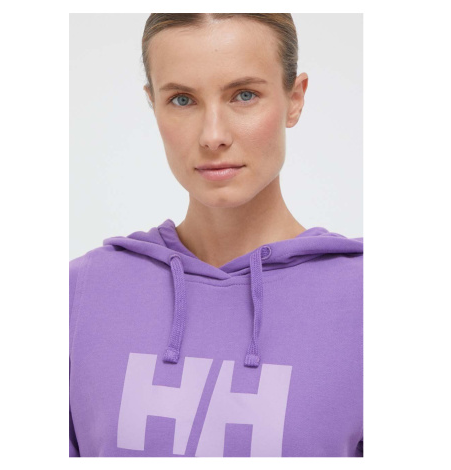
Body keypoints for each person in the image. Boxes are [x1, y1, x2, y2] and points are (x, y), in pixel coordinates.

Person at [69, 13, 363, 458]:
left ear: (295, 98)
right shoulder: (80, 294)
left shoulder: (370, 301)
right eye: (182, 100)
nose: (213, 136)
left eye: (244, 95)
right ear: (153, 105)